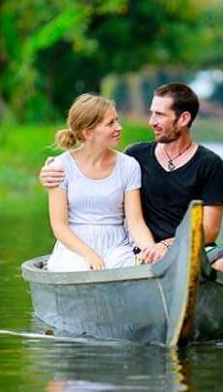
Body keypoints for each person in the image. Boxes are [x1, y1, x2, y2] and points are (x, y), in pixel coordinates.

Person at [41, 83, 223, 276]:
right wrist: (48, 173)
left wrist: (163, 247)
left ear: (183, 119)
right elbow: (92, 168)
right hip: (139, 247)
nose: (151, 121)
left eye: (159, 114)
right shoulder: (137, 156)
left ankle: (192, 294)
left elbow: (209, 230)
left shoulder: (209, 164)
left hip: (184, 246)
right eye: (152, 112)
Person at [45, 93, 156, 272]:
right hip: (74, 248)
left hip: (117, 247)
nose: (119, 127)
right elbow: (59, 226)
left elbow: (135, 221)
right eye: (110, 123)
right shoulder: (60, 167)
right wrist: (88, 253)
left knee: (130, 268)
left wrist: (150, 249)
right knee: (80, 269)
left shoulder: (129, 166)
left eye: (117, 121)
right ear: (88, 132)